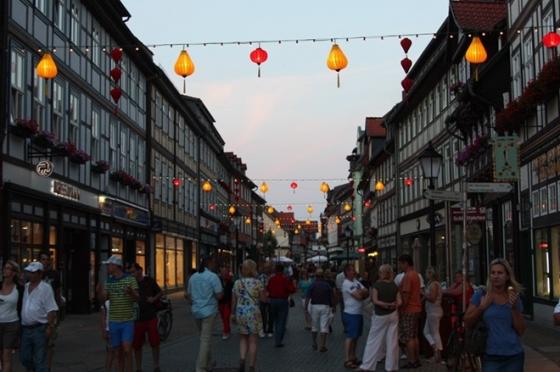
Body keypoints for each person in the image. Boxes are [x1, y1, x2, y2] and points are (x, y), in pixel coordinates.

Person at [465, 258, 525, 371]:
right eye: (493, 273)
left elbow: (521, 330)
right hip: (491, 355)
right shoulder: (482, 294)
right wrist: (482, 307)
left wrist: (513, 309)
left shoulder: (513, 297)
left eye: (500, 273)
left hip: (514, 355)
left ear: (507, 276)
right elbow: (467, 322)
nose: (496, 276)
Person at [98, 255, 139, 372]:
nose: (108, 267)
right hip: (114, 321)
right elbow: (103, 299)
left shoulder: (130, 279)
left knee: (127, 350)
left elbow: (137, 298)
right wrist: (100, 292)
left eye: (109, 265)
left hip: (127, 320)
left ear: (116, 266)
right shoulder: (108, 281)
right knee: (117, 352)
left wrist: (131, 292)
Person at [357, 264, 401, 372]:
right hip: (393, 314)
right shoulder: (395, 286)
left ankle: (367, 366)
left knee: (374, 340)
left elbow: (374, 300)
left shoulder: (377, 285)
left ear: (381, 273)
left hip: (380, 315)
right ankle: (392, 367)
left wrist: (384, 304)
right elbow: (400, 302)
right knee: (392, 341)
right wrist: (393, 305)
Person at [186, 256, 223, 372]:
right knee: (205, 339)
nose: (216, 265)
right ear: (210, 263)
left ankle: (209, 362)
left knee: (204, 338)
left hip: (197, 311)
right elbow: (219, 296)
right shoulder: (213, 277)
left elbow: (188, 296)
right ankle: (200, 368)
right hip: (209, 311)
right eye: (215, 263)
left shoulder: (193, 277)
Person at [20, 261, 58, 372]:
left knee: (40, 358)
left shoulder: (45, 288)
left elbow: (51, 309)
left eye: (33, 273)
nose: (30, 275)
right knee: (24, 357)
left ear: (40, 274)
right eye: (29, 272)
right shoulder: (26, 286)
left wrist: (50, 327)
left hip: (39, 328)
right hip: (26, 328)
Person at [232, 260, 265, 372]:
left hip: (240, 312)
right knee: (252, 341)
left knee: (242, 338)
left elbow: (234, 300)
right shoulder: (258, 283)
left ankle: (242, 360)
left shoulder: (237, 283)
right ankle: (251, 366)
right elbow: (263, 299)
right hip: (253, 313)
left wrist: (232, 314)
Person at [130, 263, 162, 372]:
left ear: (140, 270)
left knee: (154, 342)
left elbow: (160, 292)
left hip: (150, 315)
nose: (132, 274)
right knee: (137, 344)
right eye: (130, 272)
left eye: (133, 271)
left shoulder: (149, 281)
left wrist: (153, 298)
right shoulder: (131, 283)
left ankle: (156, 365)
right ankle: (139, 368)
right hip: (137, 318)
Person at [341, 264, 368, 369]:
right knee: (350, 336)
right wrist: (362, 293)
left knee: (356, 336)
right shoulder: (347, 284)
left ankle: (353, 357)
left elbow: (366, 291)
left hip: (358, 312)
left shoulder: (355, 282)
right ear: (347, 272)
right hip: (351, 313)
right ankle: (347, 359)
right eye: (352, 271)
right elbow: (359, 296)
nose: (354, 272)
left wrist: (361, 293)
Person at [397, 254, 422, 369]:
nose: (400, 266)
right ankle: (416, 359)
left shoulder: (408, 276)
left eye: (401, 263)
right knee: (414, 335)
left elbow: (406, 295)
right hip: (416, 308)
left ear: (405, 263)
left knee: (408, 337)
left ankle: (412, 360)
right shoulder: (416, 275)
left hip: (409, 309)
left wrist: (401, 308)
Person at [38, 252, 62, 371]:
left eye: (47, 259)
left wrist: (58, 309)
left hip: (51, 310)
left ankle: (47, 367)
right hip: (38, 311)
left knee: (49, 342)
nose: (45, 262)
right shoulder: (36, 274)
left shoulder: (54, 274)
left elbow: (57, 291)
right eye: (43, 259)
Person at [304, 268, 334, 352]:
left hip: (314, 306)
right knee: (324, 326)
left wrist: (306, 307)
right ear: (323, 276)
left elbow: (308, 297)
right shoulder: (327, 285)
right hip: (325, 306)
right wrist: (333, 306)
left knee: (314, 325)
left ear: (316, 276)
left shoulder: (312, 285)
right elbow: (331, 297)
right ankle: (322, 345)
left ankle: (314, 343)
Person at [0, 261, 22, 372]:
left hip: (11, 324)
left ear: (14, 273)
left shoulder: (19, 288)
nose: (5, 270)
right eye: (5, 268)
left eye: (8, 268)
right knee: (1, 357)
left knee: (7, 354)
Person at [266, 264, 295, 347]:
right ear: (282, 270)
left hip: (272, 301)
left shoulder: (271, 279)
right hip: (282, 301)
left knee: (275, 320)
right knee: (281, 321)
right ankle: (278, 340)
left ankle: (276, 336)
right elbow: (291, 289)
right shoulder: (285, 279)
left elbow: (268, 288)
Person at [423, 266, 443, 364]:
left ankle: (437, 354)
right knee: (426, 331)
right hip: (430, 311)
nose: (426, 274)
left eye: (427, 273)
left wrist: (423, 294)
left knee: (435, 332)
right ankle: (436, 349)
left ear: (431, 274)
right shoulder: (430, 284)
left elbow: (433, 298)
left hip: (434, 311)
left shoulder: (434, 284)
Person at [257, 263, 273, 338]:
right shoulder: (261, 277)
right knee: (263, 314)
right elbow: (259, 287)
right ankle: (263, 329)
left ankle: (270, 330)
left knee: (271, 314)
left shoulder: (273, 277)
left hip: (271, 298)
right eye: (266, 268)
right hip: (262, 298)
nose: (267, 269)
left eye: (268, 268)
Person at [218, 265, 234, 340]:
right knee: (223, 317)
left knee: (226, 316)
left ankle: (225, 332)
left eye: (225, 272)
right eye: (222, 272)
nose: (224, 274)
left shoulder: (230, 282)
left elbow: (233, 292)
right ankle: (228, 329)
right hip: (220, 302)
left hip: (228, 302)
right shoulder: (218, 281)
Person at [101, 299, 116, 372]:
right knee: (110, 352)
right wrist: (104, 331)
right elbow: (103, 318)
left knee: (116, 353)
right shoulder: (106, 303)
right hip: (109, 330)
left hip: (114, 329)